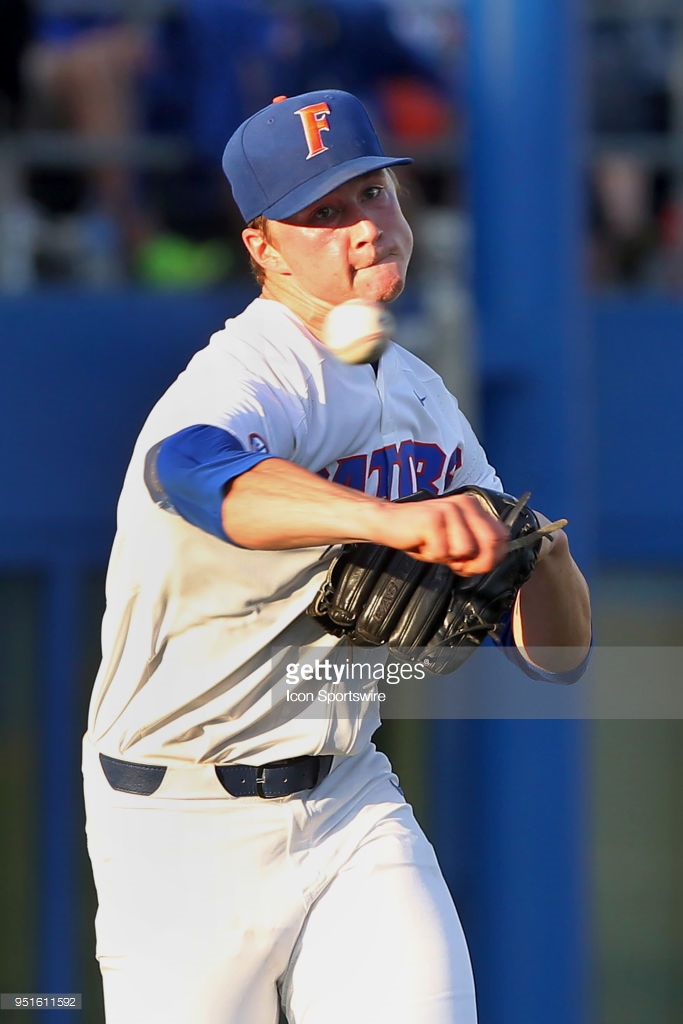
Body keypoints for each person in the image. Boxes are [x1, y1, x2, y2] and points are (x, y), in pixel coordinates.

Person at [82, 89, 592, 1024]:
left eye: (372, 194)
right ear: (263, 247)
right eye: (321, 213)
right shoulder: (246, 373)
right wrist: (389, 522)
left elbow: (554, 658)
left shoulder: (422, 394)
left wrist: (542, 557)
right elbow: (195, 475)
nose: (363, 226)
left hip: (349, 797)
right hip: (178, 815)